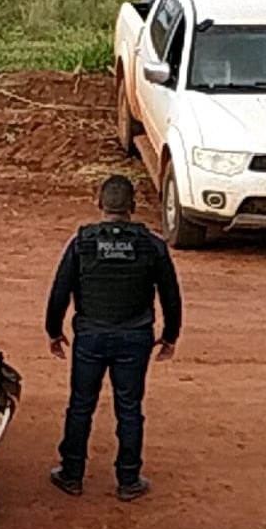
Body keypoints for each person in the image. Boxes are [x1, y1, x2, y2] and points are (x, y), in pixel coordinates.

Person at [44, 175, 183, 501]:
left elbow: (59, 291)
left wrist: (54, 331)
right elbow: (171, 295)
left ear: (99, 203)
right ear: (133, 206)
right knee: (129, 407)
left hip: (90, 337)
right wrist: (170, 335)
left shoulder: (82, 242)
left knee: (80, 405)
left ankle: (72, 474)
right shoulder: (152, 245)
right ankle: (128, 479)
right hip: (135, 338)